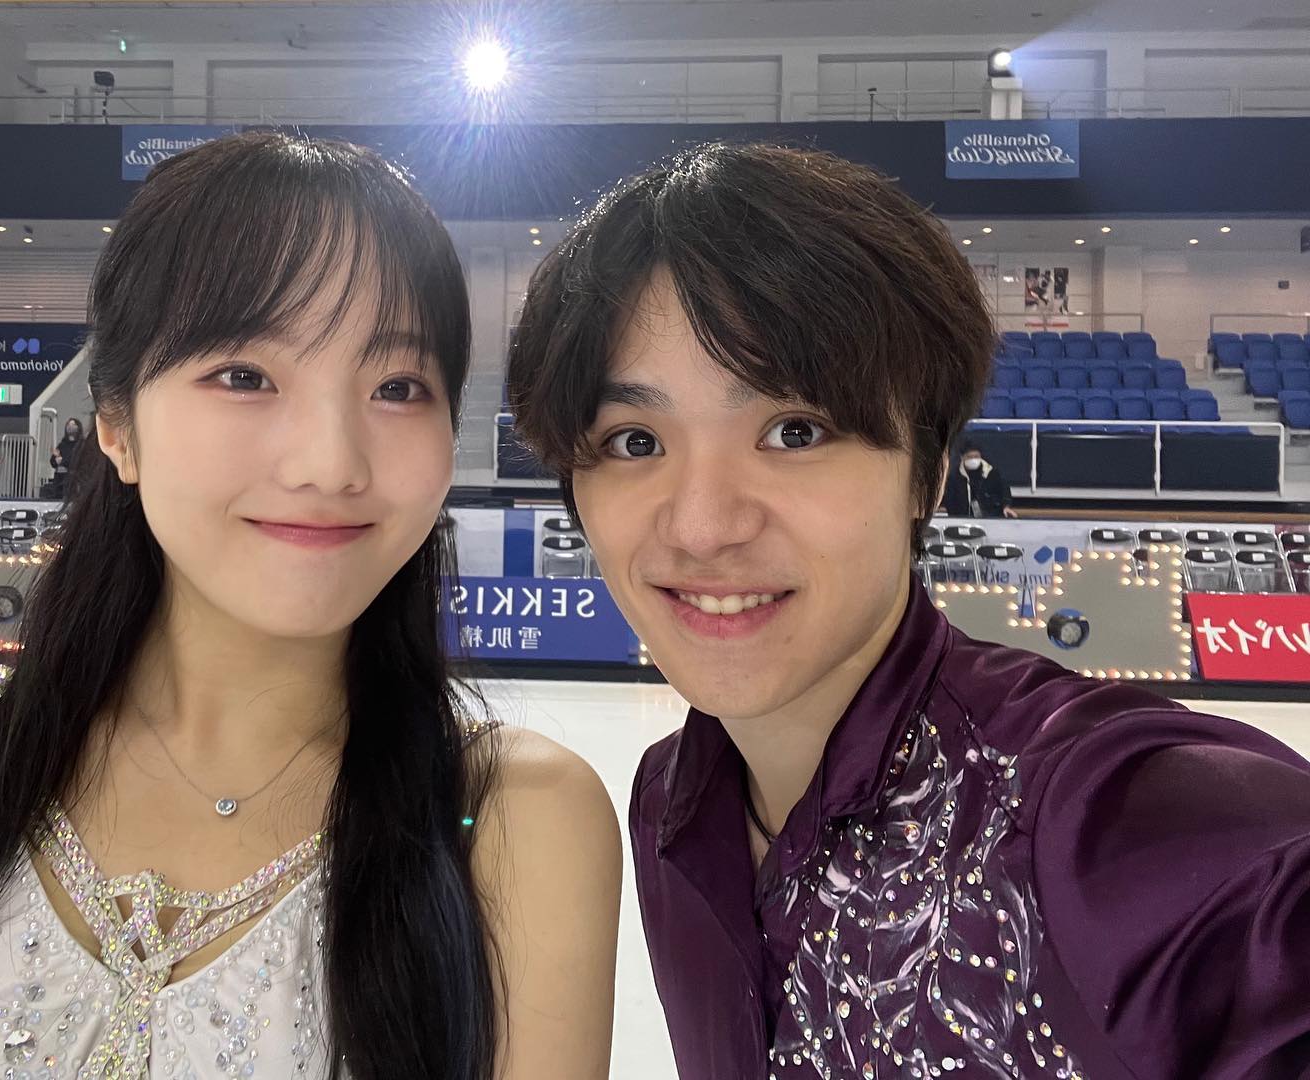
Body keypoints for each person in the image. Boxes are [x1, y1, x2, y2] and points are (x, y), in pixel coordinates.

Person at [507, 142, 1310, 1079]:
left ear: (927, 472)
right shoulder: (669, 808)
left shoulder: (1109, 825)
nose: (702, 526)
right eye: (635, 440)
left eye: (795, 431)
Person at [0, 132, 620, 1080]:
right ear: (116, 425)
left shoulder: (514, 822)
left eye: (397, 387)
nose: (331, 465)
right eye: (245, 376)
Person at [942, 438, 1016, 518]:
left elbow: (1004, 491)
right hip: (962, 518)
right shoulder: (954, 476)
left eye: (976, 456)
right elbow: (950, 500)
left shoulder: (991, 473)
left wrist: (1006, 506)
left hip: (991, 518)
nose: (973, 459)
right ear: (962, 457)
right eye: (970, 457)